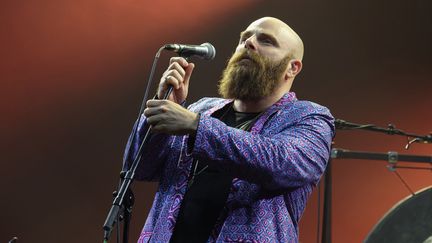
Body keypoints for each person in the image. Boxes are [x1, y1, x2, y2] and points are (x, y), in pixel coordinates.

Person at [123, 16, 335, 243]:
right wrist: (163, 106)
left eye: (266, 41)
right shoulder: (202, 109)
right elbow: (140, 168)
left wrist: (196, 125)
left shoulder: (310, 118)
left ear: (292, 67)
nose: (249, 43)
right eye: (244, 38)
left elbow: (282, 163)